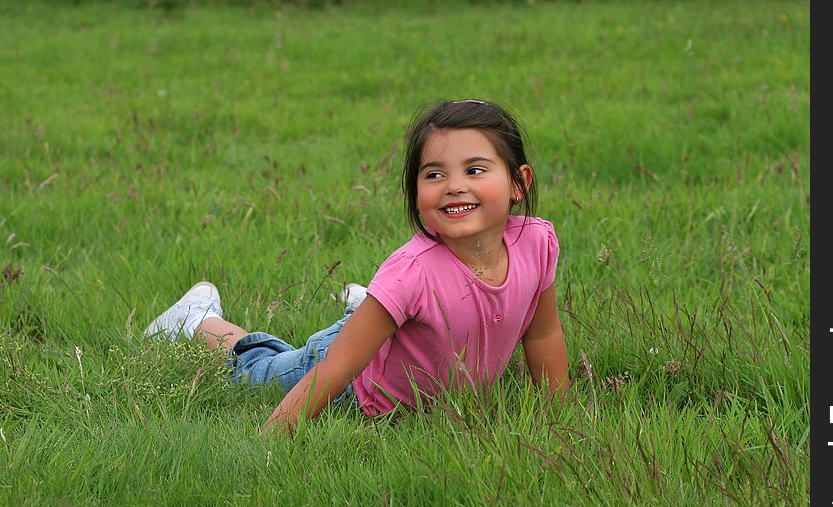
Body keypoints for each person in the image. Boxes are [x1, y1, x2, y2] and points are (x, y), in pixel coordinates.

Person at [144, 99, 570, 431]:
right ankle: (195, 320)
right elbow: (338, 367)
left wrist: (556, 420)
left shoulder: (536, 242)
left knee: (381, 315)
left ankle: (372, 311)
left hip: (391, 331)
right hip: (353, 379)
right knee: (261, 370)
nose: (455, 186)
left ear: (519, 182)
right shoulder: (415, 271)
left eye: (475, 170)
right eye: (434, 175)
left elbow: (544, 333)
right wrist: (269, 447)